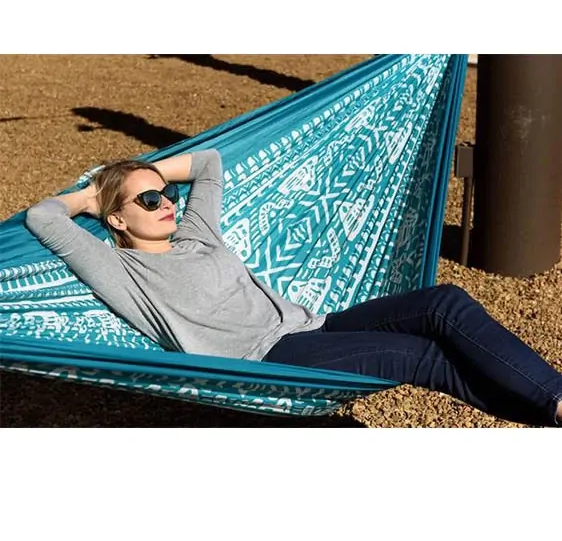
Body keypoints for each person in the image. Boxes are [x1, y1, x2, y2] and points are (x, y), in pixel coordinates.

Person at [26, 149, 562, 427]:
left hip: (311, 326)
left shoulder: (196, 233)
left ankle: (553, 399)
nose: (166, 203)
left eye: (166, 194)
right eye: (148, 201)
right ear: (117, 219)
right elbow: (43, 218)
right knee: (420, 356)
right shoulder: (122, 271)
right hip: (267, 354)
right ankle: (555, 407)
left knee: (443, 302)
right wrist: (93, 194)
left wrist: (140, 173)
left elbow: (208, 164)